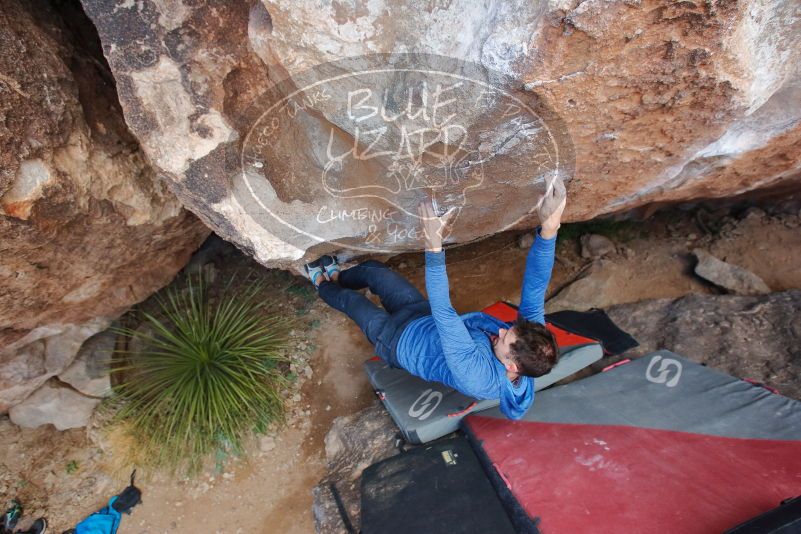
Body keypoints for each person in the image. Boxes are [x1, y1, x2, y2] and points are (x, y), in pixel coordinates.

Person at [305, 181, 566, 419]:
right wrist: (549, 229)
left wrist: (433, 244)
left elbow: (445, 311)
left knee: (351, 302)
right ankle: (339, 276)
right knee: (375, 271)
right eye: (508, 330)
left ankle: (320, 283)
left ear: (511, 365)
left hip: (398, 342)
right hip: (422, 318)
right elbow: (534, 292)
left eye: (505, 338)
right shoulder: (528, 349)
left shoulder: (478, 376)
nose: (500, 329)